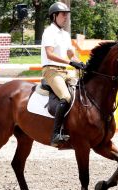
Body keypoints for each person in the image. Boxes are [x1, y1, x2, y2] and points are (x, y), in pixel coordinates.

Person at [41, 2, 85, 147]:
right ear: (54, 16)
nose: (66, 17)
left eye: (66, 14)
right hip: (51, 70)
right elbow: (50, 54)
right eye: (63, 14)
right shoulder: (49, 32)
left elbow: (71, 55)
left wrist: (82, 64)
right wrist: (70, 62)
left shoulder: (65, 34)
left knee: (82, 92)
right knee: (66, 97)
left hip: (65, 71)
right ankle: (55, 134)